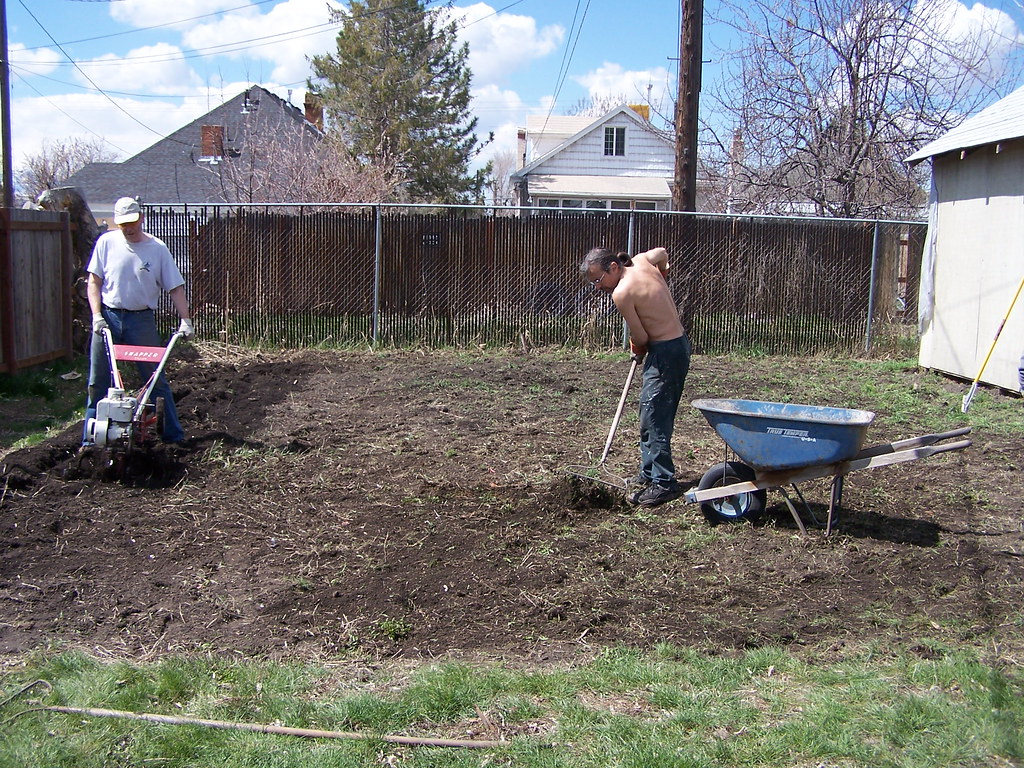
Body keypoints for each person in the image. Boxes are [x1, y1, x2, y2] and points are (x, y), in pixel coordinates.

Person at [580, 246, 692, 507]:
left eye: (598, 280)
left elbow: (641, 336)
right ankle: (650, 472)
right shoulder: (642, 261)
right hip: (678, 344)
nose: (598, 287)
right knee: (649, 410)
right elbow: (662, 253)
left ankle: (664, 483)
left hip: (666, 352)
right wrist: (663, 274)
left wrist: (635, 347)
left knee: (654, 416)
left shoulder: (622, 292)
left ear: (614, 267)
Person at [83, 196, 193, 446]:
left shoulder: (157, 248)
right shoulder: (106, 243)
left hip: (140, 320)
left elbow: (174, 287)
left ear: (141, 218)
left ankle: (174, 436)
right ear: (116, 222)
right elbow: (94, 281)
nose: (128, 228)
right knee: (97, 381)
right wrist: (97, 315)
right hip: (108, 318)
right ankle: (90, 440)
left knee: (155, 379)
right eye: (123, 224)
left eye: (132, 222)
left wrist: (185, 320)